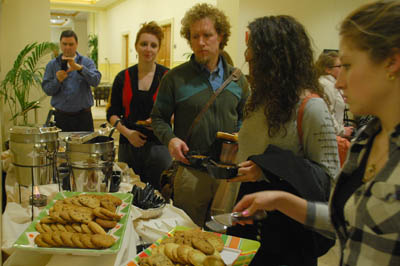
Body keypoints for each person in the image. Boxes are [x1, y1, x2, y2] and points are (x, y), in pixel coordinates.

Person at [232, 1, 400, 265]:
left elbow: (324, 181)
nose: (339, 82)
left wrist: (270, 173)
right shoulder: (366, 141)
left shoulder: (312, 108)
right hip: (256, 230)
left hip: (290, 245)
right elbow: (343, 217)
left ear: (391, 62)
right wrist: (277, 199)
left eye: (347, 65)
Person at [226, 16, 340, 266]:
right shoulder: (257, 101)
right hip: (248, 223)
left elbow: (327, 180)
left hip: (288, 240)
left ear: (275, 57)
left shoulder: (312, 107)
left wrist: (266, 169)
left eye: (253, 51)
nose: (246, 56)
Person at [151, 3, 249, 226]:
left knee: (220, 232)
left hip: (227, 175)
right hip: (190, 172)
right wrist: (171, 139)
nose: (201, 42)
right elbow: (158, 118)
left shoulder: (237, 80)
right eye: (195, 36)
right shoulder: (175, 78)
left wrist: (239, 136)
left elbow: (247, 116)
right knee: (188, 233)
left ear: (220, 36)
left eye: (207, 35)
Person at [106, 22, 172, 190]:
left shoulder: (168, 77)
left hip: (159, 146)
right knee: (128, 192)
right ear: (136, 46)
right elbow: (112, 114)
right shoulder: (123, 77)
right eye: (144, 44)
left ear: (158, 49)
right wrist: (128, 134)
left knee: (158, 194)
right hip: (128, 145)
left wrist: (161, 120)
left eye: (153, 45)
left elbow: (176, 111)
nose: (148, 49)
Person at [42, 30, 101, 132]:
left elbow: (95, 81)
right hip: (61, 118)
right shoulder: (52, 65)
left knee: (85, 147)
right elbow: (47, 90)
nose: (67, 47)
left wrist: (81, 69)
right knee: (61, 148)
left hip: (83, 118)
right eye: (64, 44)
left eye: (71, 44)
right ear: (60, 44)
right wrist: (57, 80)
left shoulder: (86, 62)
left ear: (76, 44)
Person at [316, 51, 353, 138]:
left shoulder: (332, 83)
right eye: (339, 66)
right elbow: (328, 114)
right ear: (328, 69)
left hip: (335, 134)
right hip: (332, 136)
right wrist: (342, 131)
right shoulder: (326, 85)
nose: (343, 69)